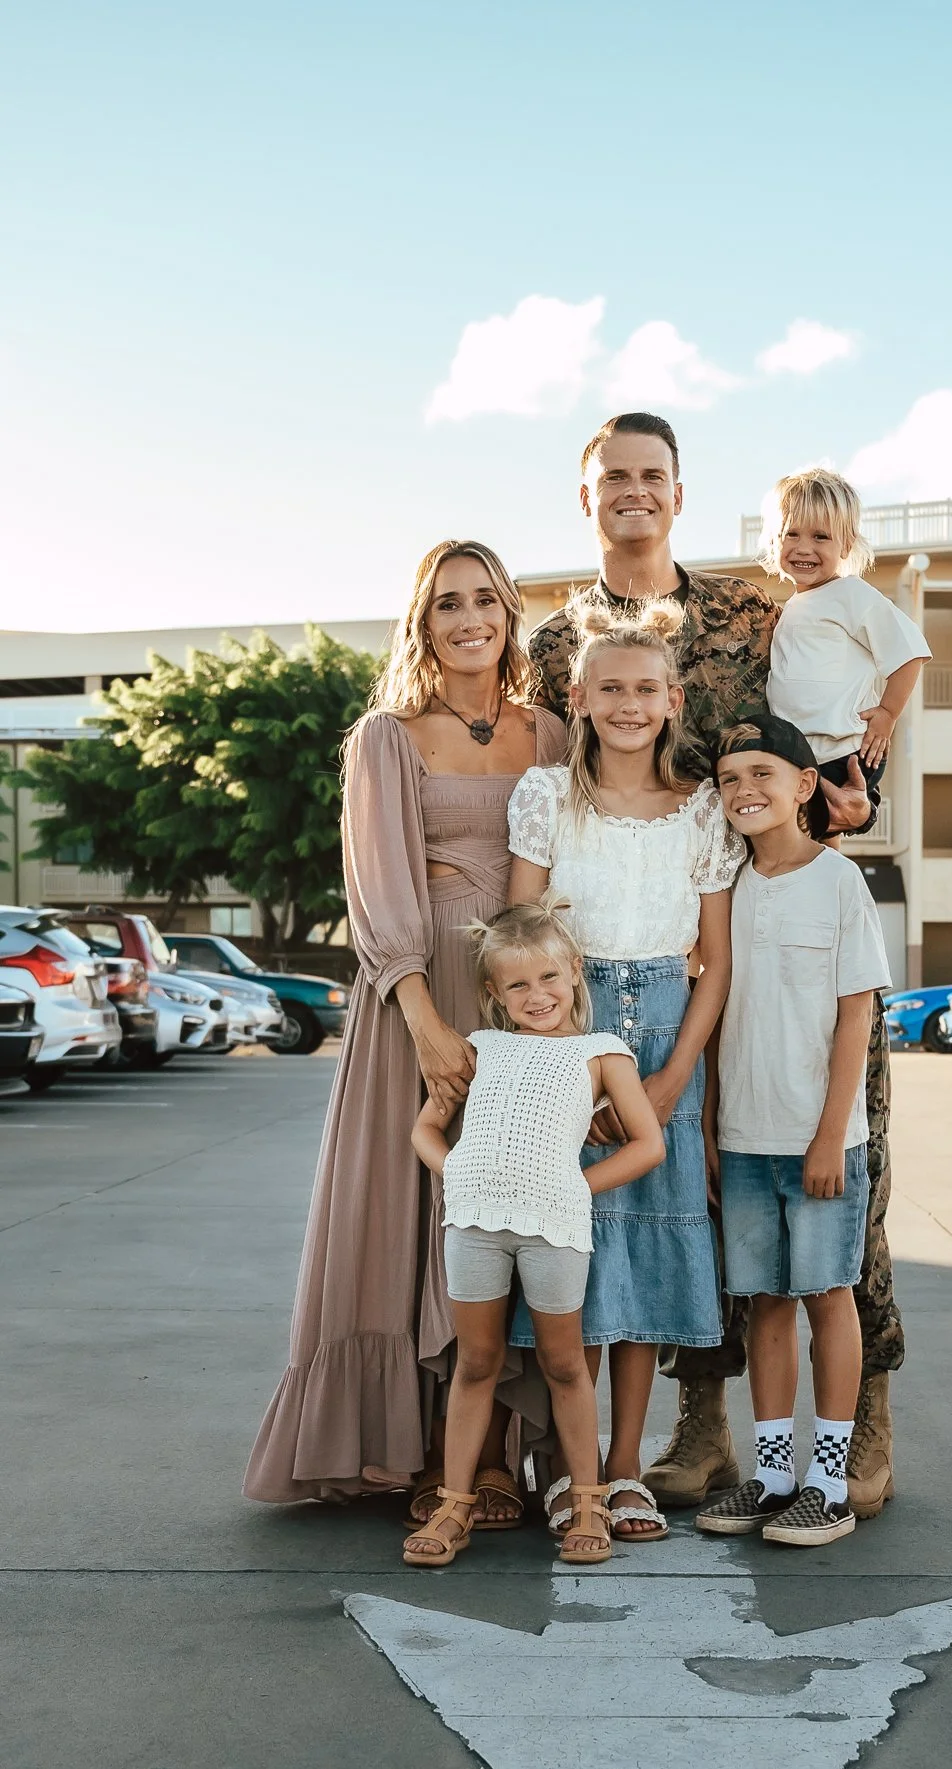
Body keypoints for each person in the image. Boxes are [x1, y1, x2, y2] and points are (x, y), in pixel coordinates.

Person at [527, 411, 905, 1521]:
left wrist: (856, 790)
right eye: (614, 479)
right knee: (698, 1191)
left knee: (831, 1168)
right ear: (585, 495)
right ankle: (702, 1427)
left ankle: (864, 1415)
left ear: (679, 493)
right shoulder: (556, 646)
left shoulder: (752, 606)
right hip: (636, 948)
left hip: (781, 919)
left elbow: (833, 720)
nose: (633, 493)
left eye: (653, 476)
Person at [243, 539, 566, 1516]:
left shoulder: (549, 736)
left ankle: (493, 1452)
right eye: (446, 604)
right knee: (409, 1209)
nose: (468, 619)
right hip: (411, 1003)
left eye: (484, 600)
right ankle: (413, 1447)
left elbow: (557, 866)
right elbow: (378, 887)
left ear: (509, 612)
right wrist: (423, 1016)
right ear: (421, 623)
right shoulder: (385, 737)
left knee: (501, 1209)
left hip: (516, 995)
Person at [507, 594, 744, 1535]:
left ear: (674, 700)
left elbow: (716, 960)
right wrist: (571, 1060)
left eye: (647, 688)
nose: (629, 704)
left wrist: (677, 1071)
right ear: (578, 695)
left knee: (643, 1251)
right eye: (610, 687)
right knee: (578, 1249)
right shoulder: (544, 797)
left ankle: (625, 1463)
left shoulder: (701, 813)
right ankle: (572, 1472)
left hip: (664, 1040)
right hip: (570, 1030)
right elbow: (525, 934)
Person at [402, 900, 664, 1569]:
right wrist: (452, 1169)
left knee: (564, 1365)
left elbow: (647, 1145)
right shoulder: (481, 1047)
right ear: (494, 993)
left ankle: (586, 1500)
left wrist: (577, 1187)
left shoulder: (600, 1054)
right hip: (473, 1226)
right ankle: (454, 1502)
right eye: (516, 984)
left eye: (548, 977)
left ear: (574, 972)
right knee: (478, 1364)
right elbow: (424, 1131)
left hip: (554, 1227)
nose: (536, 995)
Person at [696, 715, 890, 1547]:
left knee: (825, 1296)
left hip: (821, 1142)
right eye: (730, 776)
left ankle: (828, 1481)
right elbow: (711, 1014)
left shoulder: (837, 883)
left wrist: (828, 1137)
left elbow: (856, 1019)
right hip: (742, 1136)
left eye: (763, 773)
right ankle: (774, 1476)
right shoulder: (723, 888)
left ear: (805, 785)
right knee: (763, 1305)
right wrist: (708, 1128)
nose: (745, 789)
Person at [759, 467, 930, 840]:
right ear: (774, 540)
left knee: (807, 841)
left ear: (846, 546)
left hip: (845, 752)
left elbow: (910, 652)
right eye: (792, 534)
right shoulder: (792, 606)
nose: (804, 547)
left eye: (821, 537)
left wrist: (887, 714)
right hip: (807, 753)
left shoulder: (852, 595)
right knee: (805, 843)